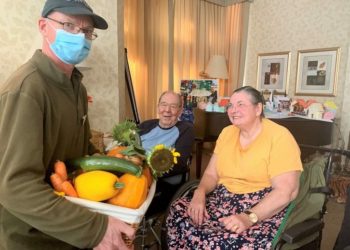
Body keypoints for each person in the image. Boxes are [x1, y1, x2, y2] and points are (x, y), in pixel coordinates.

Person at [0, 1, 134, 249]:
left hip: (69, 225)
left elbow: (82, 154)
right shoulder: (26, 89)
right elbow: (15, 187)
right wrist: (95, 228)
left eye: (86, 31)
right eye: (69, 25)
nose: (79, 37)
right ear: (43, 26)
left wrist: (123, 166)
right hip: (33, 237)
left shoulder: (77, 89)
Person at [165, 86, 303, 249]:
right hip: (222, 200)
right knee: (179, 210)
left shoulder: (279, 137)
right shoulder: (227, 133)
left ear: (258, 108)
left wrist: (248, 217)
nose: (233, 110)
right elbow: (211, 174)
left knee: (223, 241)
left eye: (240, 104)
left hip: (259, 207)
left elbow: (285, 192)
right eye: (230, 105)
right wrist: (200, 193)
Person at [138, 90, 195, 215]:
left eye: (173, 106)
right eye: (163, 104)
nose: (167, 110)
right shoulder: (145, 125)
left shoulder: (186, 129)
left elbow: (179, 163)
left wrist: (146, 169)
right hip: (135, 171)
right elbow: (131, 146)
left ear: (180, 111)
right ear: (158, 107)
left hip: (161, 180)